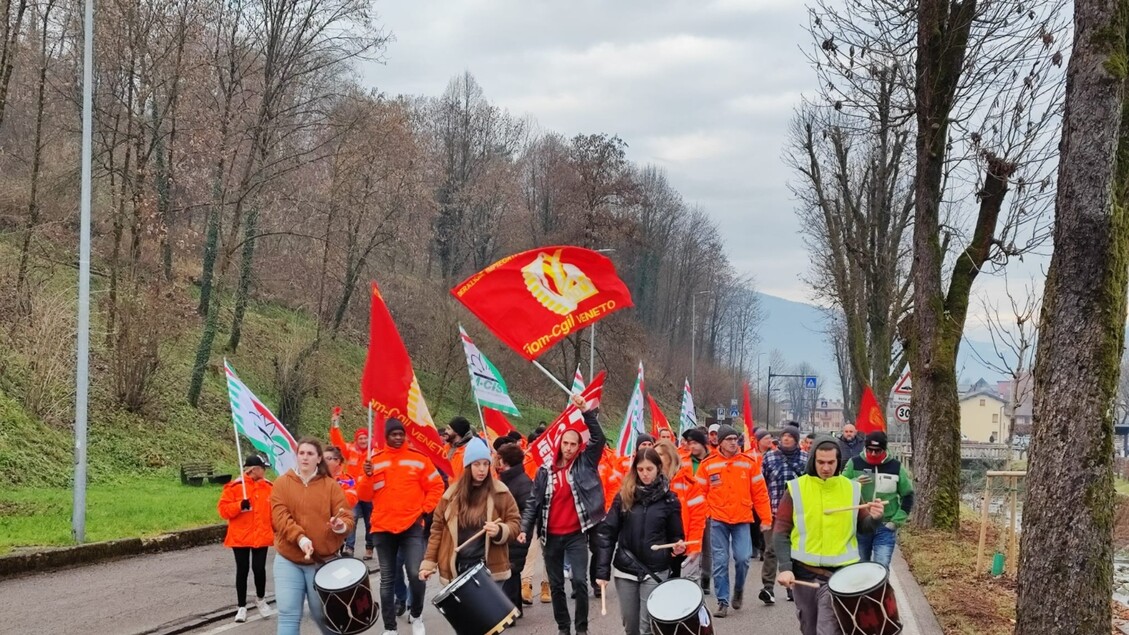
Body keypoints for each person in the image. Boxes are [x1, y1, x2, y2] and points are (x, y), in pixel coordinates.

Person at [774, 436, 885, 635]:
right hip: (804, 574)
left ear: (838, 461)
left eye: (831, 462)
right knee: (809, 627)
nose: (826, 468)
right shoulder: (795, 488)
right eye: (821, 462)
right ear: (812, 461)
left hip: (841, 575)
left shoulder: (851, 488)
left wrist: (875, 518)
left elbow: (864, 527)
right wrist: (785, 568)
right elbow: (781, 531)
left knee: (828, 629)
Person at [519, 394, 606, 635]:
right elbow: (533, 502)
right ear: (559, 443)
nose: (568, 448)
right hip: (551, 537)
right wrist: (525, 529)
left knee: (579, 581)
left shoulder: (585, 463)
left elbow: (598, 439)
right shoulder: (544, 471)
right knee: (556, 585)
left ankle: (582, 629)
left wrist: (586, 411)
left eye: (573, 444)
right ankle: (563, 628)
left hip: (576, 535)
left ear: (579, 447)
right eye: (565, 443)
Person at [594, 448, 685, 635]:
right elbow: (607, 534)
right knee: (631, 626)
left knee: (647, 627)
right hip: (625, 569)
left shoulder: (670, 500)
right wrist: (602, 571)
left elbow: (676, 535)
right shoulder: (623, 496)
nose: (645, 474)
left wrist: (678, 546)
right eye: (641, 469)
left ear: (658, 468)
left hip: (655, 570)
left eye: (649, 469)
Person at [270, 438, 355, 635]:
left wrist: (340, 526)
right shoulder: (281, 484)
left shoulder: (331, 486)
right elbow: (280, 518)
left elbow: (347, 517)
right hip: (288, 559)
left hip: (322, 562)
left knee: (324, 615)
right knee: (288, 614)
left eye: (310, 454)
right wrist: (301, 538)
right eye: (301, 453)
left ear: (318, 459)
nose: (305, 457)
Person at [369, 418, 445, 635]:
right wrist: (366, 476)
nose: (398, 437)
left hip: (412, 527)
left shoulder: (418, 459)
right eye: (393, 434)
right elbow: (364, 494)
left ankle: (417, 615)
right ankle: (390, 628)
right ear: (386, 436)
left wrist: (423, 510)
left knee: (416, 573)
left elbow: (437, 486)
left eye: (401, 434)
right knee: (387, 579)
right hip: (382, 528)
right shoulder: (374, 461)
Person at [421, 437, 521, 588]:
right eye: (477, 464)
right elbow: (437, 530)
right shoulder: (451, 496)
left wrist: (500, 531)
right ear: (468, 466)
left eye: (486, 464)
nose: (482, 469)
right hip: (458, 568)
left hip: (490, 569)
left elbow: (515, 523)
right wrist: (429, 563)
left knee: (488, 605)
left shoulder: (500, 492)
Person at [700, 424, 773, 617]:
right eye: (729, 439)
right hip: (718, 520)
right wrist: (706, 512)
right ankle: (722, 601)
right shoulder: (708, 464)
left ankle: (739, 588)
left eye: (735, 439)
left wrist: (766, 518)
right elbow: (699, 493)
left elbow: (760, 494)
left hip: (742, 519)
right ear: (720, 442)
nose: (733, 443)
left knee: (742, 558)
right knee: (720, 561)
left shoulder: (748, 463)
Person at [841, 430, 914, 567]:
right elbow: (840, 488)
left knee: (881, 567)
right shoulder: (854, 463)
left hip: (885, 525)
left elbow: (908, 495)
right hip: (861, 524)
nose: (873, 454)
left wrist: (896, 522)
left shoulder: (896, 467)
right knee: (859, 567)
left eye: (877, 451)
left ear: (885, 449)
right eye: (870, 450)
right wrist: (854, 482)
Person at [217, 455, 275, 623]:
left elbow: (274, 511)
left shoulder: (269, 487)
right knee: (242, 570)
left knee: (259, 568)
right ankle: (241, 606)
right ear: (254, 469)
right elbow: (223, 510)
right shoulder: (235, 487)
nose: (265, 471)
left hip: (261, 535)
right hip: (240, 536)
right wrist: (239, 505)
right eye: (263, 468)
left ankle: (261, 599)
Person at [759, 424, 809, 605]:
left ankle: (792, 587)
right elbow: (761, 484)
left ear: (796, 439)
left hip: (799, 511)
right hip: (773, 510)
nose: (786, 439)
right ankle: (768, 588)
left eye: (790, 436)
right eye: (784, 436)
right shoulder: (770, 457)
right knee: (771, 549)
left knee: (794, 550)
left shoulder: (805, 458)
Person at [654, 440, 706, 581]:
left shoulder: (688, 483)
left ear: (670, 457)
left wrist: (694, 546)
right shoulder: (649, 483)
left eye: (660, 454)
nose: (656, 457)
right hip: (656, 546)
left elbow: (697, 518)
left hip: (679, 545)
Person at [497, 442, 535, 615]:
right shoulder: (507, 479)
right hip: (509, 530)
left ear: (505, 461)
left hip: (517, 532)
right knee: (512, 569)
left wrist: (520, 529)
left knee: (511, 568)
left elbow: (528, 510)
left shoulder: (523, 483)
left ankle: (510, 611)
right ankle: (515, 607)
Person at [329, 415, 373, 559]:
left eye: (365, 438)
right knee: (351, 518)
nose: (363, 441)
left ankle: (369, 547)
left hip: (369, 491)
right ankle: (349, 548)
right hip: (353, 491)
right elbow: (338, 442)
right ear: (356, 439)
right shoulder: (350, 450)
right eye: (360, 438)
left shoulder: (373, 452)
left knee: (370, 521)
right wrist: (335, 425)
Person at [682, 427, 713, 595]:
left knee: (707, 546)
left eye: (694, 443)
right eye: (689, 443)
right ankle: (690, 576)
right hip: (690, 508)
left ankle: (706, 577)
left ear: (702, 443)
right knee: (692, 543)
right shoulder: (684, 461)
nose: (691, 446)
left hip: (709, 509)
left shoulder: (712, 460)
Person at [446, 416, 477, 481]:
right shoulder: (446, 447)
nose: (445, 431)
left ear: (457, 432)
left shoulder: (468, 453)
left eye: (448, 429)